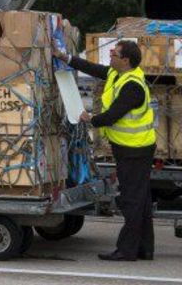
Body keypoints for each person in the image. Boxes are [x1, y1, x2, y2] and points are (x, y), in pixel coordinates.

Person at [54, 39, 155, 261]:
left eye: (114, 55)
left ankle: (127, 251)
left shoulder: (133, 86)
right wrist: (67, 58)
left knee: (131, 200)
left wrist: (89, 118)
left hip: (135, 150)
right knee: (141, 200)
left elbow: (112, 116)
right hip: (129, 148)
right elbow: (94, 69)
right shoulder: (117, 74)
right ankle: (144, 248)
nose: (110, 58)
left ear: (126, 60)